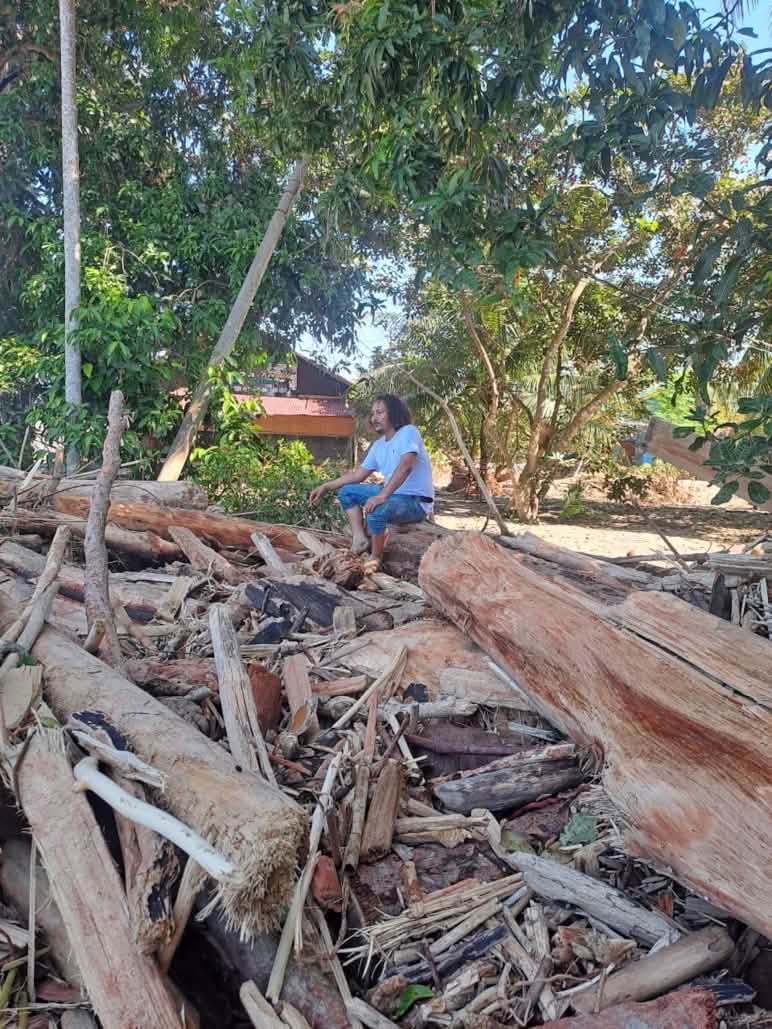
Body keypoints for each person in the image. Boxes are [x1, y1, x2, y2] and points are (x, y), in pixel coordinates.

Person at [309, 394, 434, 565]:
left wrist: (381, 496)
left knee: (376, 509)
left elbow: (406, 466)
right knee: (346, 492)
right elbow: (357, 475)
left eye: (380, 412)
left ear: (394, 413)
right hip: (393, 496)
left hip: (415, 502)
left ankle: (375, 558)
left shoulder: (408, 432)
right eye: (373, 413)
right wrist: (326, 486)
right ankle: (359, 538)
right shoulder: (379, 446)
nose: (374, 418)